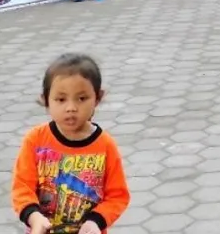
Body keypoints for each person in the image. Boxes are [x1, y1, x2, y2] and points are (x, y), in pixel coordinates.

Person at [11, 54, 131, 234]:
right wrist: (34, 217)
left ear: (97, 98)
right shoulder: (35, 140)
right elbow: (22, 187)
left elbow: (117, 195)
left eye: (81, 98)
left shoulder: (105, 145)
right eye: (61, 99)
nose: (71, 108)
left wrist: (96, 221)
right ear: (46, 99)